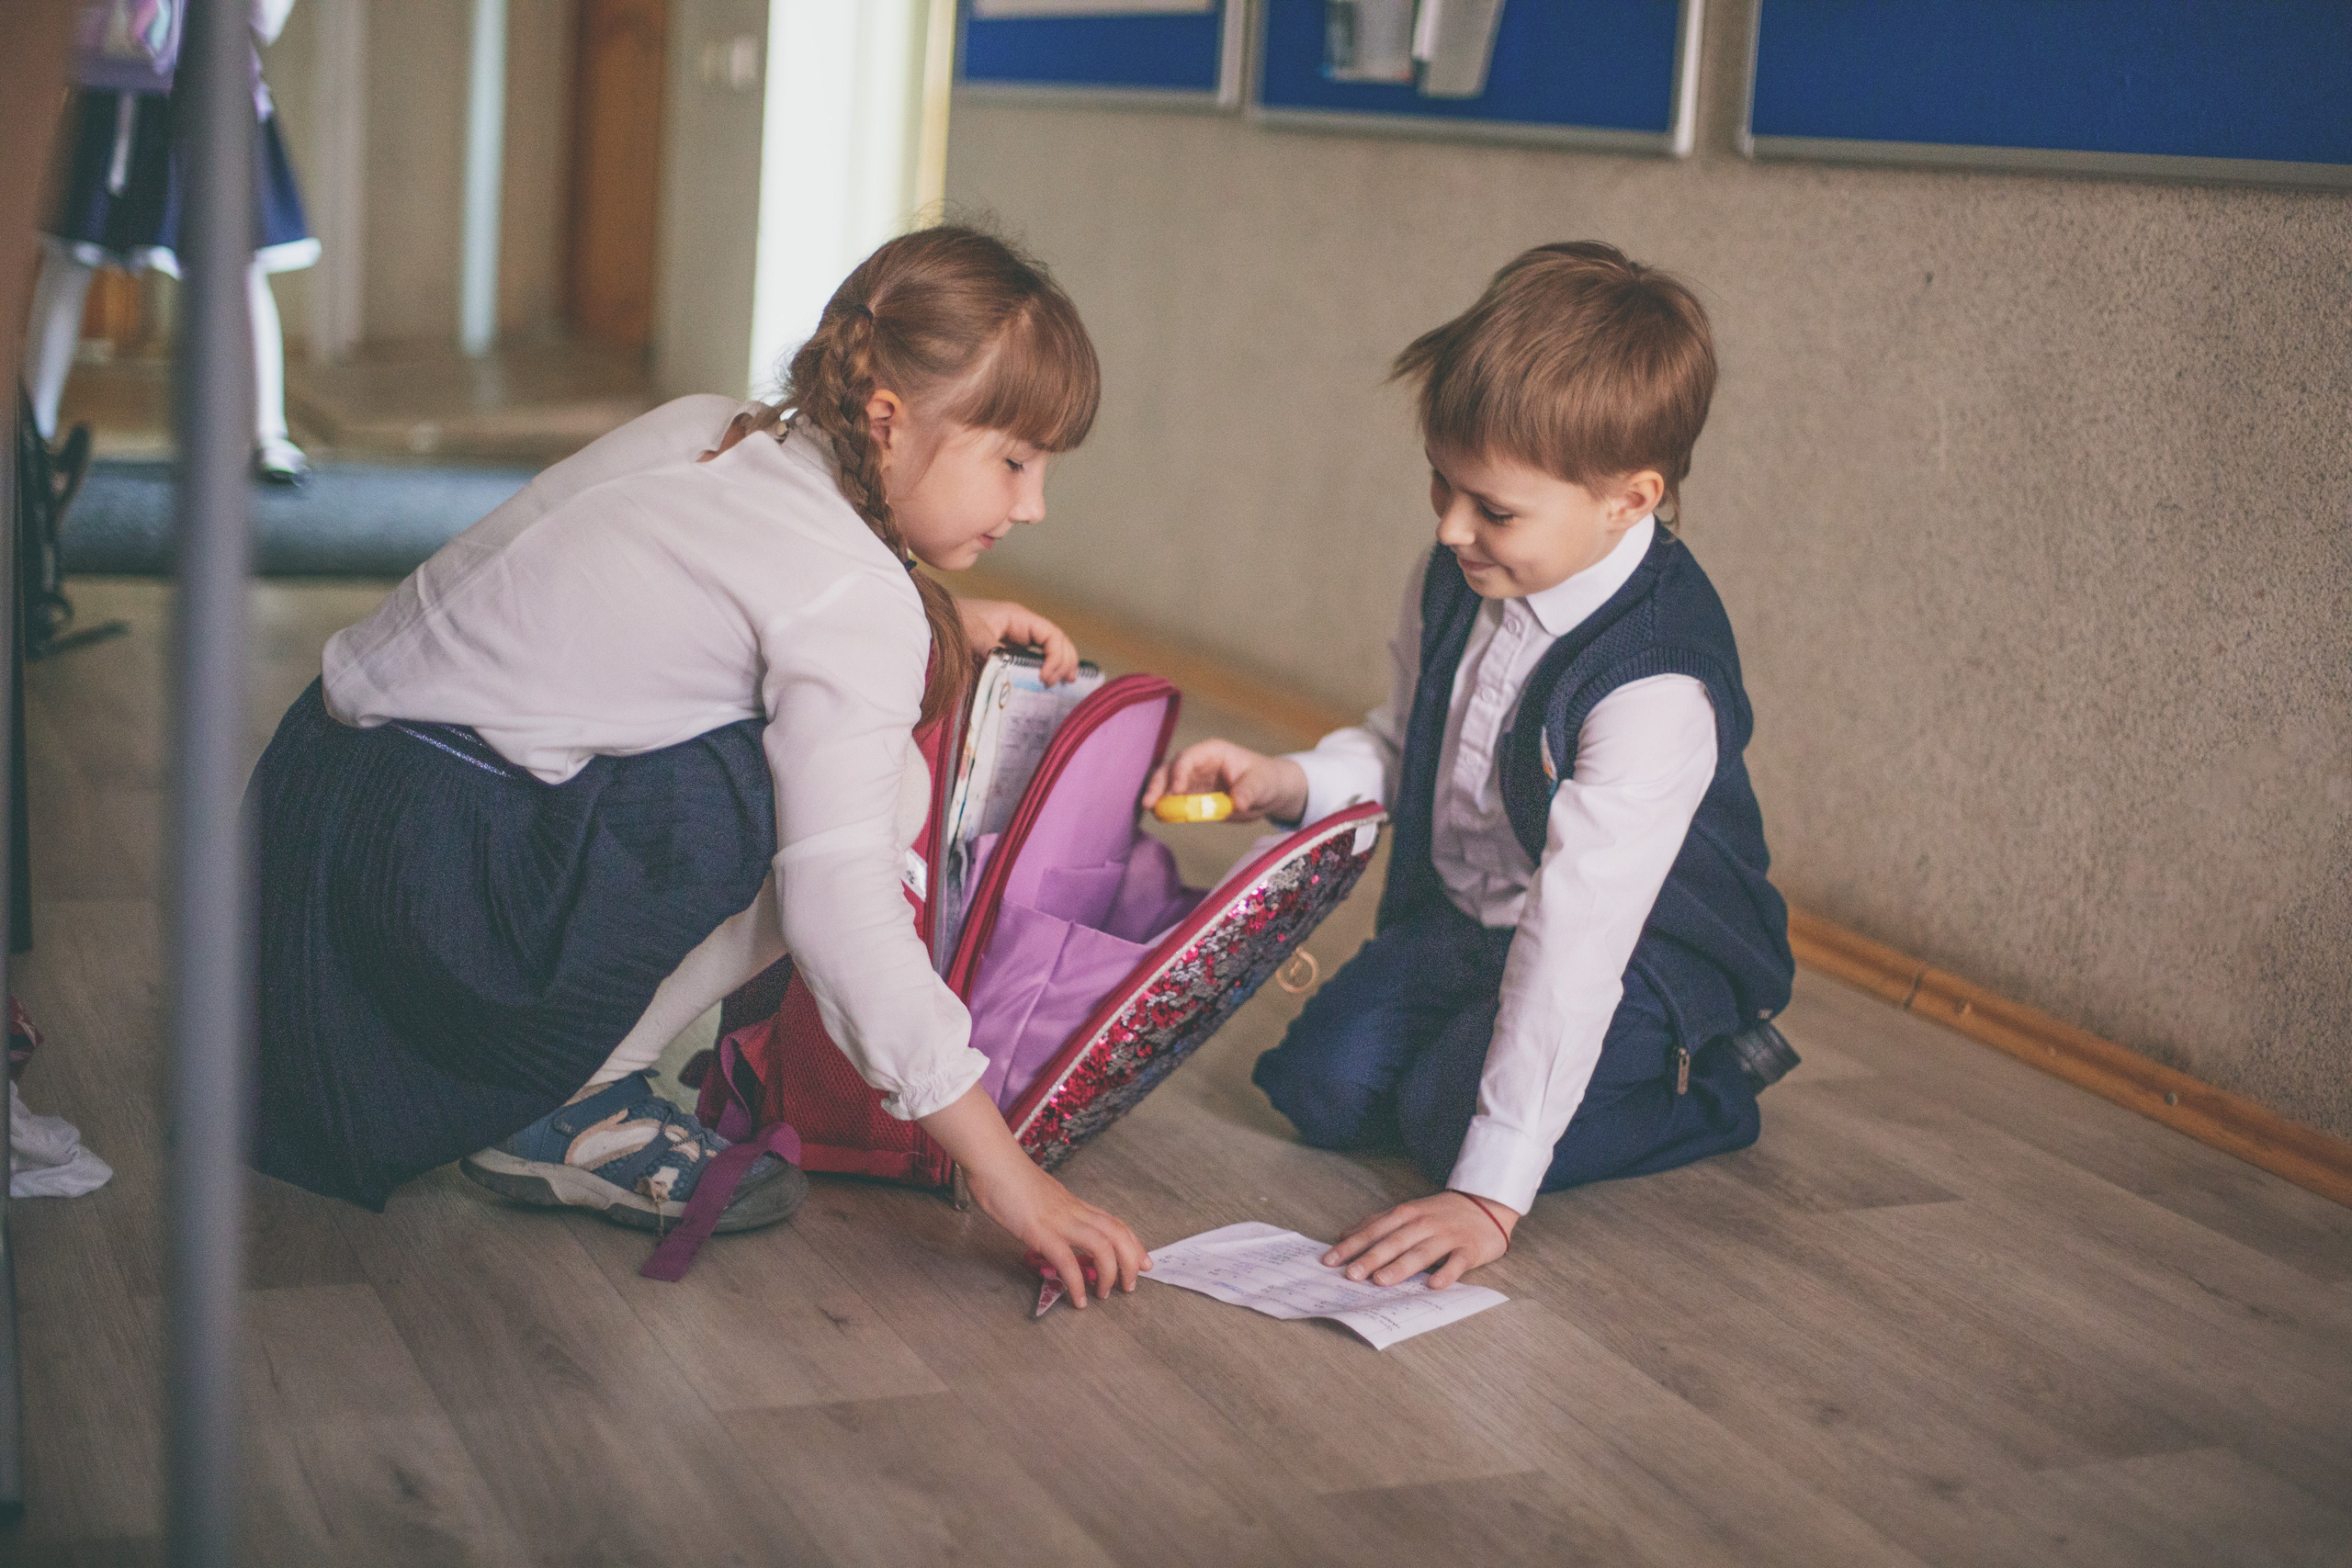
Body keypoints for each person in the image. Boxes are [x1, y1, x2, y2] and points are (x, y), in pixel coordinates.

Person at [250, 226, 1148, 1305]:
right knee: (855, 801)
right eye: (1012, 459)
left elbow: (710, 583)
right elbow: (841, 915)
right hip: (423, 906)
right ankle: (571, 1098)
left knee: (803, 759)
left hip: (311, 833)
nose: (1033, 503)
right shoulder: (852, 600)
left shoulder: (717, 429)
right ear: (886, 420)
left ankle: (551, 1076)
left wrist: (937, 618)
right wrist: (1009, 1177)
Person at [1145, 242, 1798, 1291]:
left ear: (1630, 501)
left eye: (1492, 509)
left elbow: (1579, 938)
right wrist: (1289, 782)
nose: (1450, 527)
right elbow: (1413, 747)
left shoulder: (1653, 684)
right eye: (1440, 486)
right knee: (1320, 1091)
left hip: (1640, 957)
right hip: (1469, 925)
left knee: (1458, 1128)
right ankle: (1471, 1064)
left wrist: (1491, 1197)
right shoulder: (1454, 575)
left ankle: (1707, 1083)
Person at [24, 0, 317, 482]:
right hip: (110, 88)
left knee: (242, 267)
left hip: (213, 94)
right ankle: (32, 428)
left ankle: (269, 432)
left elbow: (267, 20)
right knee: (69, 259)